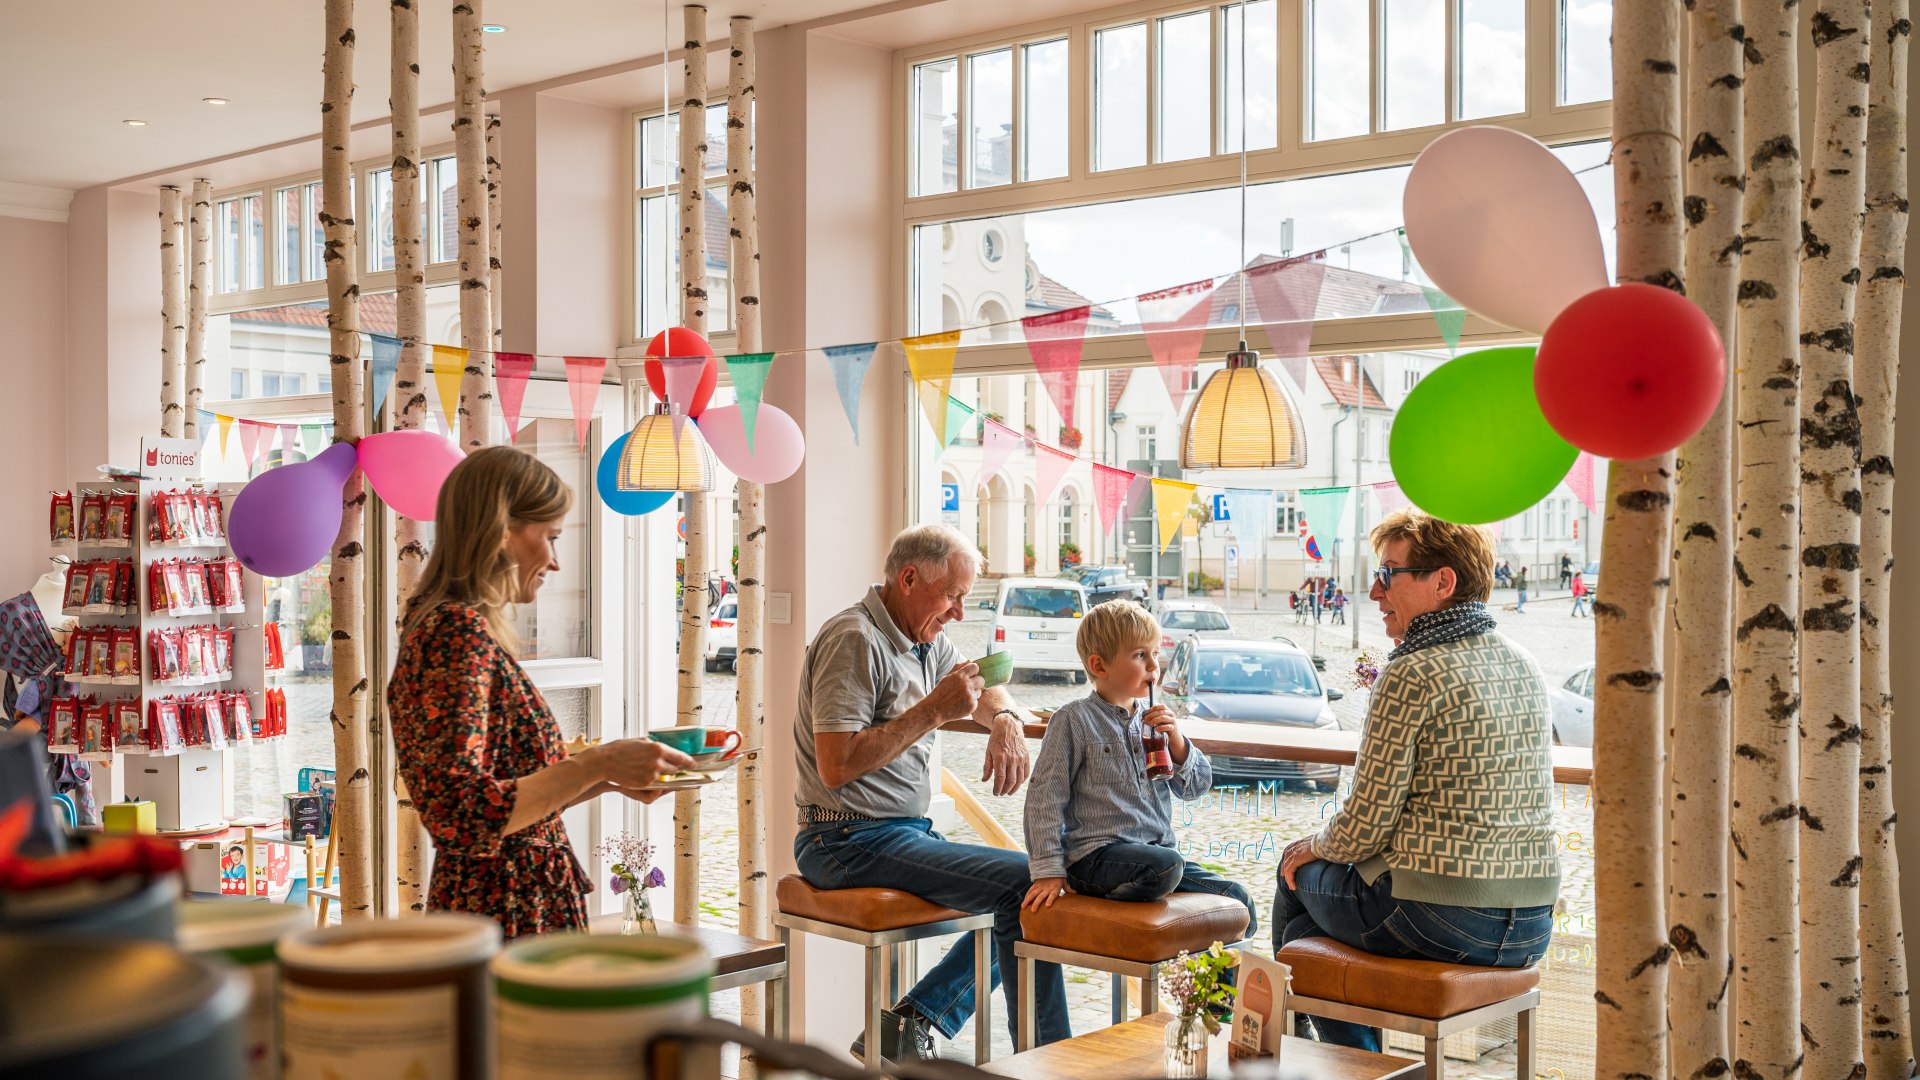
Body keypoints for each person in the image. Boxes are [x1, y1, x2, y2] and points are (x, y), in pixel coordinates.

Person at [1274, 510, 1558, 1050]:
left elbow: (1363, 829)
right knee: (1301, 939)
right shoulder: (1524, 663)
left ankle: (1283, 1048)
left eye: (1388, 574)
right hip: (1532, 925)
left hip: (1438, 917)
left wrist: (1311, 843)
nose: (1376, 593)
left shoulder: (1411, 671)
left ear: (1442, 582)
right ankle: (1318, 1052)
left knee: (1291, 874)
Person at [388, 447, 693, 939]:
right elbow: (460, 816)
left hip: (509, 906)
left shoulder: (459, 629)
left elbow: (506, 798)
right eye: (549, 536)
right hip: (504, 913)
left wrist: (610, 779)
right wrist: (598, 763)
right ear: (501, 529)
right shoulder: (455, 633)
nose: (554, 560)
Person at [793, 524, 1070, 1060]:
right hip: (842, 839)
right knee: (1025, 885)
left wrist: (1006, 718)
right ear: (909, 577)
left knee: (1026, 886)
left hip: (895, 833)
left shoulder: (924, 639)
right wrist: (933, 712)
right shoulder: (854, 639)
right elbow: (836, 765)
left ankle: (910, 1025)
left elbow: (980, 683)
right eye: (954, 596)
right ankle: (1051, 1061)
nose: (959, 613)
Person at [1021, 601, 1255, 932]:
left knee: (1238, 899)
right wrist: (1048, 870)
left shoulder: (1154, 718)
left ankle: (1224, 985)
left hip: (1154, 858)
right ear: (1099, 665)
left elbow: (1195, 788)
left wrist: (1177, 741)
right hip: (1095, 858)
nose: (1153, 666)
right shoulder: (1072, 720)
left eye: (1155, 653)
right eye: (1139, 656)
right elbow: (1044, 799)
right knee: (1167, 867)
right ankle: (1106, 915)